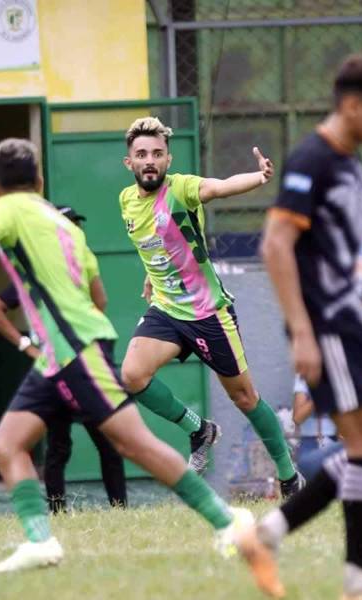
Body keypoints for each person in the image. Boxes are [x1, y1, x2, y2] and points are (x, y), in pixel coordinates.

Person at [0, 138, 251, 575]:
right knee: (7, 445)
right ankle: (40, 541)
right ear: (39, 180)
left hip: (75, 349)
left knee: (133, 443)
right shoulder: (65, 227)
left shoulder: (6, 208)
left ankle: (228, 522)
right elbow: (97, 294)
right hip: (62, 353)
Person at [234, 55, 362, 600]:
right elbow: (275, 244)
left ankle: (269, 535)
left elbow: (355, 255)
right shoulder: (312, 159)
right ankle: (359, 582)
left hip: (356, 322)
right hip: (327, 325)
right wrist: (302, 333)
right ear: (352, 106)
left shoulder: (354, 167)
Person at [118, 116, 304, 497]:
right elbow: (155, 244)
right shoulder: (126, 201)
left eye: (157, 154)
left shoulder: (181, 188)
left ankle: (288, 477)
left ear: (168, 160)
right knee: (132, 375)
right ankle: (199, 430)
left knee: (245, 398)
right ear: (130, 163)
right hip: (167, 310)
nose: (149, 160)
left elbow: (219, 188)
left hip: (208, 314)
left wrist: (258, 177)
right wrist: (152, 277)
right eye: (141, 154)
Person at [0, 206, 126, 512]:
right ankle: (59, 511)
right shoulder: (35, 272)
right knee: (62, 447)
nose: (73, 231)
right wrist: (27, 345)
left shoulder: (77, 266)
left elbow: (101, 301)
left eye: (76, 225)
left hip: (77, 362)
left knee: (104, 444)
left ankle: (118, 509)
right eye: (67, 225)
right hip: (61, 366)